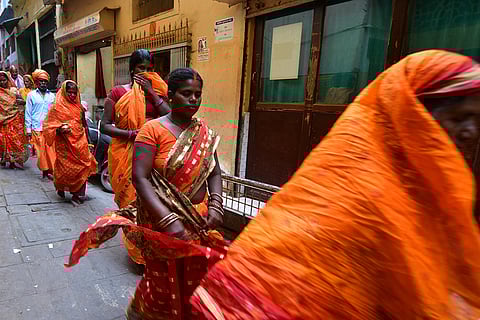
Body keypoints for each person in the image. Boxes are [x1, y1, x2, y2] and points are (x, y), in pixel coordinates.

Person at [191, 50, 480, 319]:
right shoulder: (360, 187)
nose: (471, 132)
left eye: (477, 120)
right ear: (413, 114)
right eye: (459, 117)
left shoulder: (432, 189)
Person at [66, 68, 227, 320]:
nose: (194, 99)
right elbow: (139, 178)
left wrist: (216, 204)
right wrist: (167, 219)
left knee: (197, 279)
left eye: (198, 94)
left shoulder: (204, 132)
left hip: (199, 220)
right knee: (162, 279)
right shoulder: (151, 131)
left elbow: (214, 171)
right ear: (170, 96)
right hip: (162, 223)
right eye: (187, 94)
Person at [101, 49, 170, 210]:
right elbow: (104, 126)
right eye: (141, 68)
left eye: (149, 69)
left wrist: (151, 92)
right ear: (132, 70)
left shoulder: (158, 92)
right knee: (130, 200)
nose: (146, 73)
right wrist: (131, 134)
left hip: (154, 151)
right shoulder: (118, 92)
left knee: (155, 200)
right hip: (127, 151)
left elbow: (170, 115)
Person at [43, 80, 97, 205]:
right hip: (64, 145)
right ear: (64, 92)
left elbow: (85, 125)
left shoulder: (79, 108)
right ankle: (61, 186)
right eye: (69, 92)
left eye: (74, 93)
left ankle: (78, 195)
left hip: (80, 143)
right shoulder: (56, 108)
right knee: (65, 170)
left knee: (84, 166)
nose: (72, 95)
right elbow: (48, 126)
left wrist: (89, 142)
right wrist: (59, 128)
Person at [25, 69, 56, 180]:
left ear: (47, 83)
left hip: (49, 128)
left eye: (45, 81)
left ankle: (50, 170)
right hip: (36, 127)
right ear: (37, 82)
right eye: (41, 81)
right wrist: (28, 130)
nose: (43, 83)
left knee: (50, 150)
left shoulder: (52, 96)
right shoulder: (31, 95)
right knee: (41, 152)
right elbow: (28, 113)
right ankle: (45, 170)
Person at [0, 71, 28, 169]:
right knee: (4, 141)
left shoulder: (13, 90)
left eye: (4, 80)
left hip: (14, 119)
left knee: (14, 139)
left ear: (8, 80)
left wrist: (18, 102)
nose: (2, 82)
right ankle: (7, 159)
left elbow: (23, 102)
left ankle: (14, 160)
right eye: (0, 81)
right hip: (3, 121)